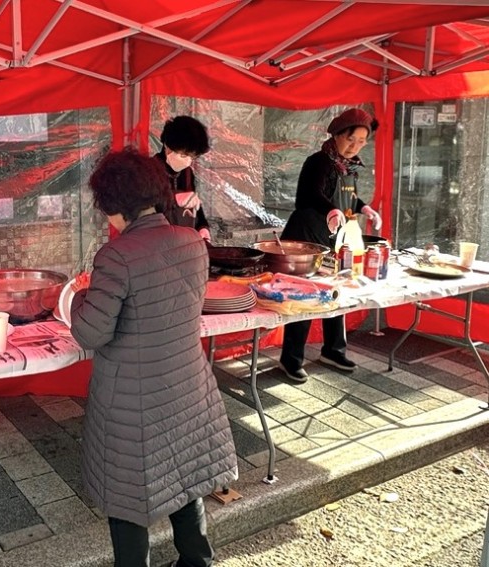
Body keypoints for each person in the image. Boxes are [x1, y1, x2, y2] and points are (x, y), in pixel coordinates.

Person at [69, 148, 238, 567]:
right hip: (188, 386)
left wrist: (78, 298)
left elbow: (92, 332)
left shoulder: (117, 256)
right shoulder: (192, 244)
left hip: (133, 398)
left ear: (113, 205)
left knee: (128, 499)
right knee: (187, 479)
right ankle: (196, 561)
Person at [279, 108, 382, 383]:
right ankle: (291, 359)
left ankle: (333, 350)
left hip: (334, 238)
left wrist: (366, 208)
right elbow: (310, 196)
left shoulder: (350, 168)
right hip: (306, 237)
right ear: (337, 135)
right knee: (306, 296)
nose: (355, 146)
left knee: (336, 291)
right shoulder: (319, 162)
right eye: (351, 139)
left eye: (361, 141)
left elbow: (350, 198)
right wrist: (330, 210)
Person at [154, 115, 213, 242]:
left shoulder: (187, 172)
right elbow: (142, 210)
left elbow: (193, 204)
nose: (188, 161)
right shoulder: (148, 171)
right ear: (167, 147)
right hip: (158, 243)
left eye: (192, 157)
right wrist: (173, 198)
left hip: (183, 242)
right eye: (183, 155)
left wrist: (202, 226)